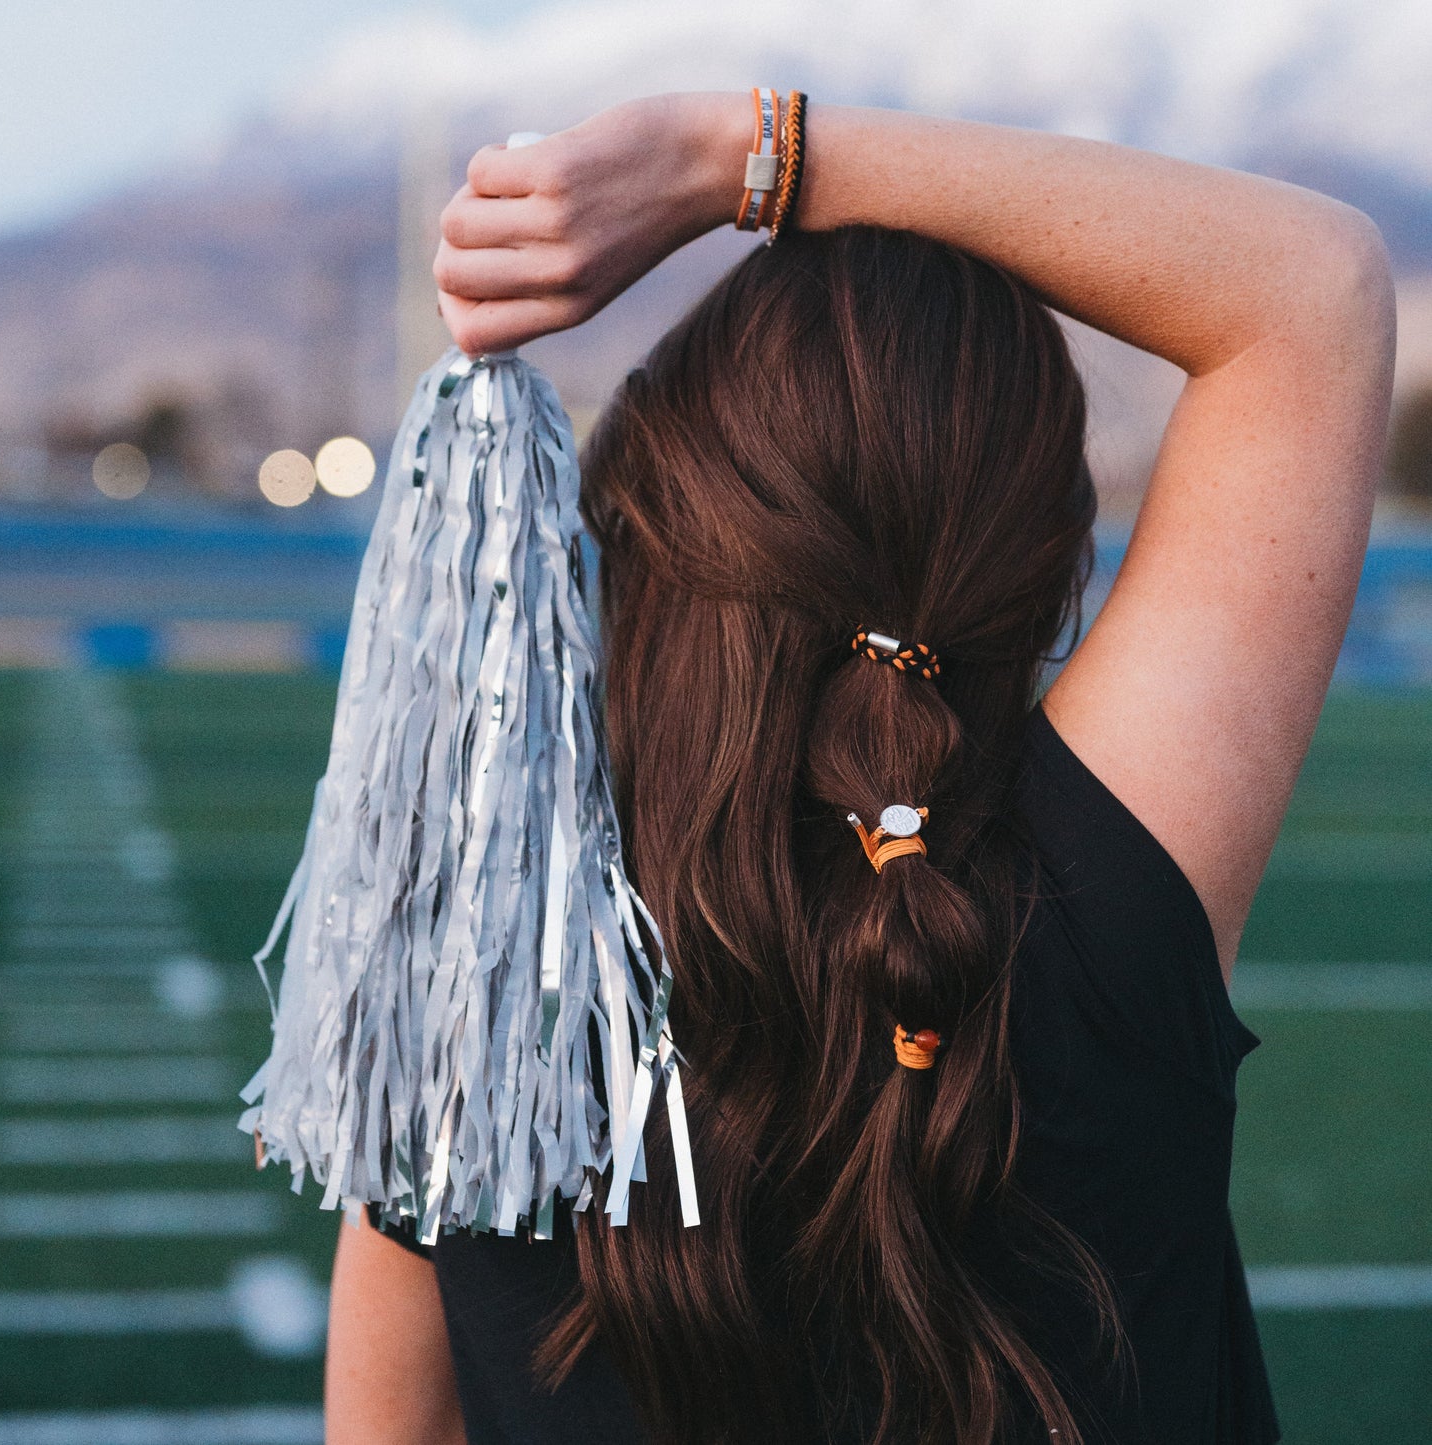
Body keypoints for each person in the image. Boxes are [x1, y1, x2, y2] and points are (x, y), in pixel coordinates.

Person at [321, 91, 1395, 1445]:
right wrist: (741, 156)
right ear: (1042, 564)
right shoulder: (1104, 902)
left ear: (645, 503)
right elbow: (1307, 292)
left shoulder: (474, 973)